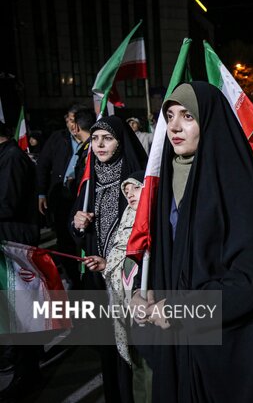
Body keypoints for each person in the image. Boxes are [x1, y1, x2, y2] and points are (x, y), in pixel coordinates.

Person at [132, 81, 253, 402]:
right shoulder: (163, 179)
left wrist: (184, 308)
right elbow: (158, 254)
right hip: (173, 346)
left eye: (187, 116)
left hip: (219, 348)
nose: (174, 126)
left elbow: (251, 283)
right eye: (169, 116)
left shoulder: (236, 180)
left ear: (209, 121)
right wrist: (141, 293)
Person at [71, 115, 147, 403]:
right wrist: (77, 223)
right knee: (107, 345)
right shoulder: (90, 178)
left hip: (128, 276)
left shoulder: (135, 177)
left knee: (132, 347)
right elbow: (76, 224)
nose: (100, 144)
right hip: (98, 275)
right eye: (95, 139)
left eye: (107, 138)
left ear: (121, 142)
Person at [82, 170, 152, 402]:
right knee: (137, 367)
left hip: (148, 306)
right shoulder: (127, 218)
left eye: (136, 187)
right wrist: (106, 264)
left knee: (149, 369)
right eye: (126, 190)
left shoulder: (153, 220)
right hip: (126, 304)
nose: (130, 194)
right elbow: (123, 257)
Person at [0, 121, 42, 399]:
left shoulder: (12, 158)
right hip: (8, 242)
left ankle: (27, 374)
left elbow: (7, 203)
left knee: (22, 310)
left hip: (16, 244)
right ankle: (18, 358)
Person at [36, 104, 92, 288]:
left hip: (81, 198)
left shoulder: (93, 141)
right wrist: (41, 193)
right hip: (61, 197)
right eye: (68, 120)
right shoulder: (58, 138)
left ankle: (87, 277)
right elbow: (43, 165)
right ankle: (72, 278)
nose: (70, 124)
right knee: (64, 239)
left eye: (73, 120)